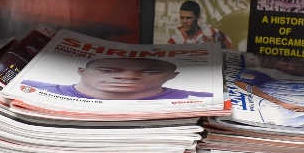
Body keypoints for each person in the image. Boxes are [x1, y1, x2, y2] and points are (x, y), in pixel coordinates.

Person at [22, 57, 212, 100]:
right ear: (81, 70)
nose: (128, 77)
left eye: (150, 72)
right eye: (107, 70)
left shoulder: (202, 100)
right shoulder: (32, 91)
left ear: (173, 76)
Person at [168, 0, 233, 48]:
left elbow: (231, 47)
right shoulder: (175, 40)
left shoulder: (213, 32)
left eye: (189, 18)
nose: (184, 21)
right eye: (182, 17)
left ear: (198, 18)